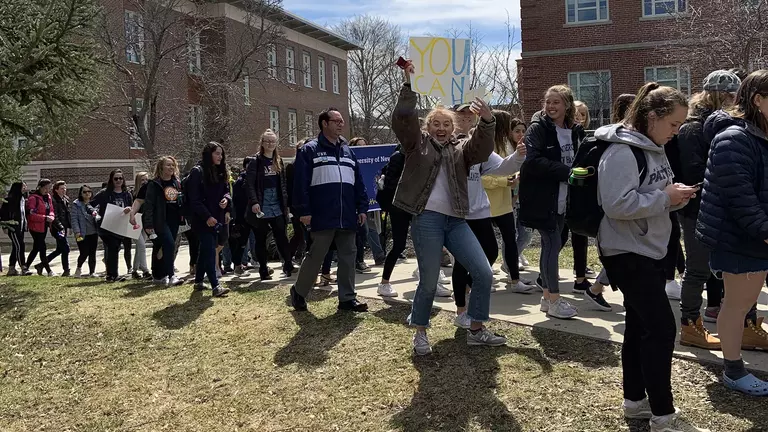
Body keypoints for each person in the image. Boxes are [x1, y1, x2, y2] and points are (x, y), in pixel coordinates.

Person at [597, 82, 709, 431]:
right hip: (627, 252)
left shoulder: (654, 146)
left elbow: (655, 192)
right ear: (652, 117)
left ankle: (635, 402)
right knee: (662, 330)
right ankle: (663, 417)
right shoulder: (621, 152)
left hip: (648, 249)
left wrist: (674, 196)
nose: (676, 132)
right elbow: (616, 205)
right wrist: (665, 198)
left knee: (639, 326)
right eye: (673, 124)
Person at [392, 61, 505, 355]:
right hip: (427, 220)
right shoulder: (416, 145)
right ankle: (420, 331)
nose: (441, 128)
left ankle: (476, 329)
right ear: (427, 127)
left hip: (456, 221)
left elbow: (481, 148)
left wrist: (487, 120)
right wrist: (409, 85)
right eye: (436, 124)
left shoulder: (461, 149)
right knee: (429, 281)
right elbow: (403, 120)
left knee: (483, 273)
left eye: (446, 124)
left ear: (453, 128)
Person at [697, 70, 768, 396]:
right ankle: (734, 370)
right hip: (739, 240)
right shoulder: (733, 139)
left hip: (757, 236)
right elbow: (741, 200)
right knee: (738, 306)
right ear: (758, 100)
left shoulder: (760, 135)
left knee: (744, 304)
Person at [672, 70, 742, 350]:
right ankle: (689, 325)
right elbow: (693, 172)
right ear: (718, 95)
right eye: (730, 95)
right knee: (697, 269)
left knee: (726, 269)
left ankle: (728, 318)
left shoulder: (721, 123)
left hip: (717, 206)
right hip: (696, 208)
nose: (734, 101)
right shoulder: (693, 127)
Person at [290, 108, 369, 313]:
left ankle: (347, 299)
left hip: (347, 215)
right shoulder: (310, 150)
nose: (341, 124)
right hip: (322, 214)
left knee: (348, 255)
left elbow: (358, 182)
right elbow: (300, 184)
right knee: (317, 255)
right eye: (336, 121)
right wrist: (304, 211)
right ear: (324, 123)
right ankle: (299, 292)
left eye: (342, 121)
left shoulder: (348, 151)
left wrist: (362, 207)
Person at [518, 85, 585, 319]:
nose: (551, 106)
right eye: (548, 102)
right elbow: (533, 161)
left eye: (556, 102)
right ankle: (555, 300)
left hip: (564, 197)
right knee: (552, 243)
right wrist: (567, 172)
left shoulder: (575, 130)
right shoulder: (538, 129)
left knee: (550, 246)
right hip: (542, 197)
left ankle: (547, 298)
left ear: (567, 105)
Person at [480, 110, 532, 293]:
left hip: (505, 204)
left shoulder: (507, 145)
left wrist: (515, 177)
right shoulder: (484, 147)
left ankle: (514, 279)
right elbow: (480, 178)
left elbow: (510, 168)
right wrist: (504, 181)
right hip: (486, 204)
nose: (511, 129)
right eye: (508, 124)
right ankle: (482, 277)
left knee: (511, 241)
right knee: (487, 246)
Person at [246, 129, 295, 279]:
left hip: (277, 204)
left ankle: (288, 265)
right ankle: (263, 269)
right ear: (262, 143)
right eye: (267, 141)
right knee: (261, 238)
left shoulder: (278, 160)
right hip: (262, 203)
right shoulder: (255, 161)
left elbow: (283, 185)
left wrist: (285, 204)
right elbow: (250, 184)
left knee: (281, 236)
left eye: (273, 141)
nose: (270, 144)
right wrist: (254, 202)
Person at [186, 142, 231, 298]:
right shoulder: (197, 172)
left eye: (221, 154)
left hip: (217, 216)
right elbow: (195, 200)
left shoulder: (221, 171)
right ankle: (215, 285)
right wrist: (207, 216)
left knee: (205, 250)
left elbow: (226, 190)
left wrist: (226, 200)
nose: (220, 157)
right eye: (217, 153)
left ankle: (198, 281)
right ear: (208, 154)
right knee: (210, 249)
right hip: (201, 219)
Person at [142, 156, 184, 286]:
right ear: (161, 167)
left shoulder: (176, 183)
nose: (171, 167)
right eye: (168, 165)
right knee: (169, 244)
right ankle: (171, 275)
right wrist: (148, 224)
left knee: (161, 247)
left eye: (173, 165)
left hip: (174, 219)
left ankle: (158, 275)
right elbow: (148, 205)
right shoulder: (154, 184)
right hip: (160, 220)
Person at [376, 144, 409, 297]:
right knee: (399, 245)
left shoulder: (423, 154)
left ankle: (431, 280)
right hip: (399, 207)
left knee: (426, 245)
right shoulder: (398, 156)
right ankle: (384, 282)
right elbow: (390, 184)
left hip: (417, 206)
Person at [349, 136, 387, 270]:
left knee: (372, 228)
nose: (362, 148)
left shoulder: (370, 161)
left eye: (364, 145)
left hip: (370, 201)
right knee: (362, 230)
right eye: (359, 146)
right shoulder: (351, 160)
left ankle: (379, 256)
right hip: (356, 202)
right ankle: (358, 259)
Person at [92, 169, 133, 282]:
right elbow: (91, 205)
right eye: (116, 178)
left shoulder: (127, 194)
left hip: (120, 226)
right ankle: (112, 275)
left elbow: (132, 207)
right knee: (113, 246)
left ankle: (112, 274)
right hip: (106, 226)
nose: (118, 180)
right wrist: (94, 213)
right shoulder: (104, 193)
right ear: (111, 180)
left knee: (115, 248)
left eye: (120, 178)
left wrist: (129, 209)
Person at [229, 156, 256, 275]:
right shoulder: (240, 182)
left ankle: (261, 264)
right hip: (243, 216)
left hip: (255, 215)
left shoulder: (256, 179)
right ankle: (238, 266)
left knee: (258, 240)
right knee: (241, 242)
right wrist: (238, 218)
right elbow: (237, 202)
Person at [26, 179, 55, 276]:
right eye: (45, 188)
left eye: (49, 188)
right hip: (35, 227)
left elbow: (51, 209)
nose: (47, 190)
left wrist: (51, 216)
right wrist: (45, 217)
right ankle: (49, 270)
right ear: (40, 187)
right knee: (42, 247)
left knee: (36, 247)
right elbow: (31, 215)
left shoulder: (48, 197)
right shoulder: (33, 198)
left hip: (44, 226)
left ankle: (26, 266)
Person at [1, 182, 32, 276]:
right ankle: (23, 267)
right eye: (23, 187)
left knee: (16, 247)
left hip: (21, 227)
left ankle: (11, 268)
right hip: (13, 227)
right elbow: (3, 214)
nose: (25, 189)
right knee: (20, 246)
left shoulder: (22, 199)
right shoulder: (9, 200)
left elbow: (23, 213)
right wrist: (5, 226)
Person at [70, 185, 100, 278]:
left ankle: (92, 272)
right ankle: (78, 269)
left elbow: (98, 216)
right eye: (84, 192)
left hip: (93, 232)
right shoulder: (76, 204)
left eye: (89, 191)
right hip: (81, 233)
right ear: (81, 193)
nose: (87, 193)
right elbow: (74, 219)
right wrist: (77, 231)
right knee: (84, 252)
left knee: (92, 253)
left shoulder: (94, 203)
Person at [44, 181, 72, 276]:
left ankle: (41, 264)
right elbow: (54, 216)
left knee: (60, 249)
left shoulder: (66, 199)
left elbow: (67, 214)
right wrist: (60, 227)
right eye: (62, 188)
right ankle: (66, 270)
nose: (64, 190)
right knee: (66, 248)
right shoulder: (53, 200)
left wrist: (70, 226)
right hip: (57, 228)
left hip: (64, 227)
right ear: (56, 190)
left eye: (65, 188)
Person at [128, 172, 151, 279]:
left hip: (144, 221)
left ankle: (134, 270)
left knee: (139, 247)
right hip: (133, 222)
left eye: (146, 180)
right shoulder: (132, 194)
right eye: (142, 180)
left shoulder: (148, 192)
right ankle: (145, 270)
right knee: (141, 245)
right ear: (137, 181)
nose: (144, 182)